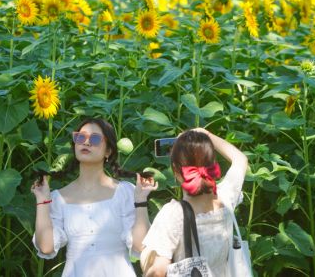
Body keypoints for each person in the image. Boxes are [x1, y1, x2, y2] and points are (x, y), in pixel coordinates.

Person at [31, 118, 158, 276]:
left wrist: (141, 200)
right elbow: (46, 247)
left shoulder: (125, 192)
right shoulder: (57, 197)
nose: (86, 142)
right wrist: (42, 200)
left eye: (95, 138)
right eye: (80, 137)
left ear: (108, 151)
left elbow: (140, 246)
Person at [141, 128, 248, 277]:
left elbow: (157, 271)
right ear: (212, 164)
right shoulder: (227, 198)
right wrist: (207, 135)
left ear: (176, 171)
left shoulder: (173, 214)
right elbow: (240, 159)